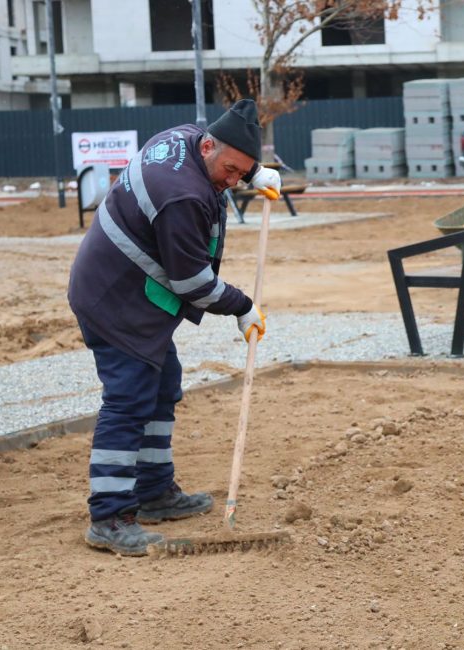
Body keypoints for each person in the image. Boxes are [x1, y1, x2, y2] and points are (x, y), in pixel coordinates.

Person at [67, 99, 281, 556]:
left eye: (239, 173)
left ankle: (154, 492)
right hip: (115, 300)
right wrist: (242, 306)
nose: (231, 180)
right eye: (229, 170)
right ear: (207, 146)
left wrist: (252, 174)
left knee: (163, 384)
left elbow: (224, 164)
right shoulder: (182, 194)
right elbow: (192, 282)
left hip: (123, 287)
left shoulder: (184, 138)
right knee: (128, 402)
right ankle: (108, 516)